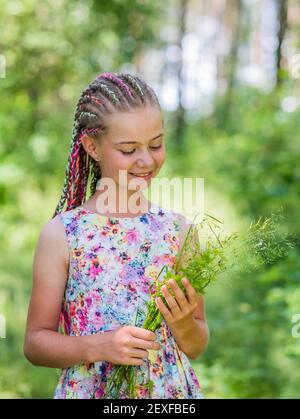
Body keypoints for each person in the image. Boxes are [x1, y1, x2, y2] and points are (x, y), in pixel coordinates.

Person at [23, 72, 209, 399]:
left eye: (156, 144)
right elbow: (35, 343)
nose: (147, 160)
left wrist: (183, 325)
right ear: (92, 146)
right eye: (128, 149)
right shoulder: (64, 235)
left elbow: (197, 344)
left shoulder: (179, 232)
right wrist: (99, 346)